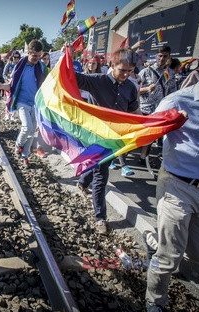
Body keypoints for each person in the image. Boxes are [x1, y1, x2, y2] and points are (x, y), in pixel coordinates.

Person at [144, 38, 199, 312]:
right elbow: (140, 132)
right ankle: (155, 300)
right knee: (170, 257)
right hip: (177, 188)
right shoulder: (177, 102)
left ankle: (155, 241)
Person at [74, 48, 142, 234]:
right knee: (101, 176)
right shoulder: (97, 80)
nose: (126, 74)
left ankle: (81, 183)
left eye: (130, 71)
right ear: (112, 65)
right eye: (122, 70)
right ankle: (100, 218)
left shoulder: (130, 87)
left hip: (116, 139)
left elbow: (134, 112)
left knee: (98, 166)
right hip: (96, 136)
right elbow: (71, 76)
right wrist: (66, 55)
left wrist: (147, 124)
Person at [0, 40, 48, 168]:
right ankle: (18, 144)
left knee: (32, 131)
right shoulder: (20, 67)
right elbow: (12, 86)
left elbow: (46, 85)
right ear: (29, 53)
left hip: (35, 104)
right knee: (27, 126)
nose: (37, 58)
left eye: (39, 56)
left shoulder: (40, 67)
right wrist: (2, 86)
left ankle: (25, 156)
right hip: (22, 102)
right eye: (34, 56)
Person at [138, 46, 177, 164]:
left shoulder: (170, 73)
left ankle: (143, 158)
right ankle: (124, 157)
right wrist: (146, 88)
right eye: (160, 56)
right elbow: (134, 89)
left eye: (165, 56)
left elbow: (172, 91)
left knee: (151, 136)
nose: (162, 58)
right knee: (138, 135)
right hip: (144, 109)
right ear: (155, 56)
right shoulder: (145, 71)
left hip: (159, 110)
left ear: (169, 57)